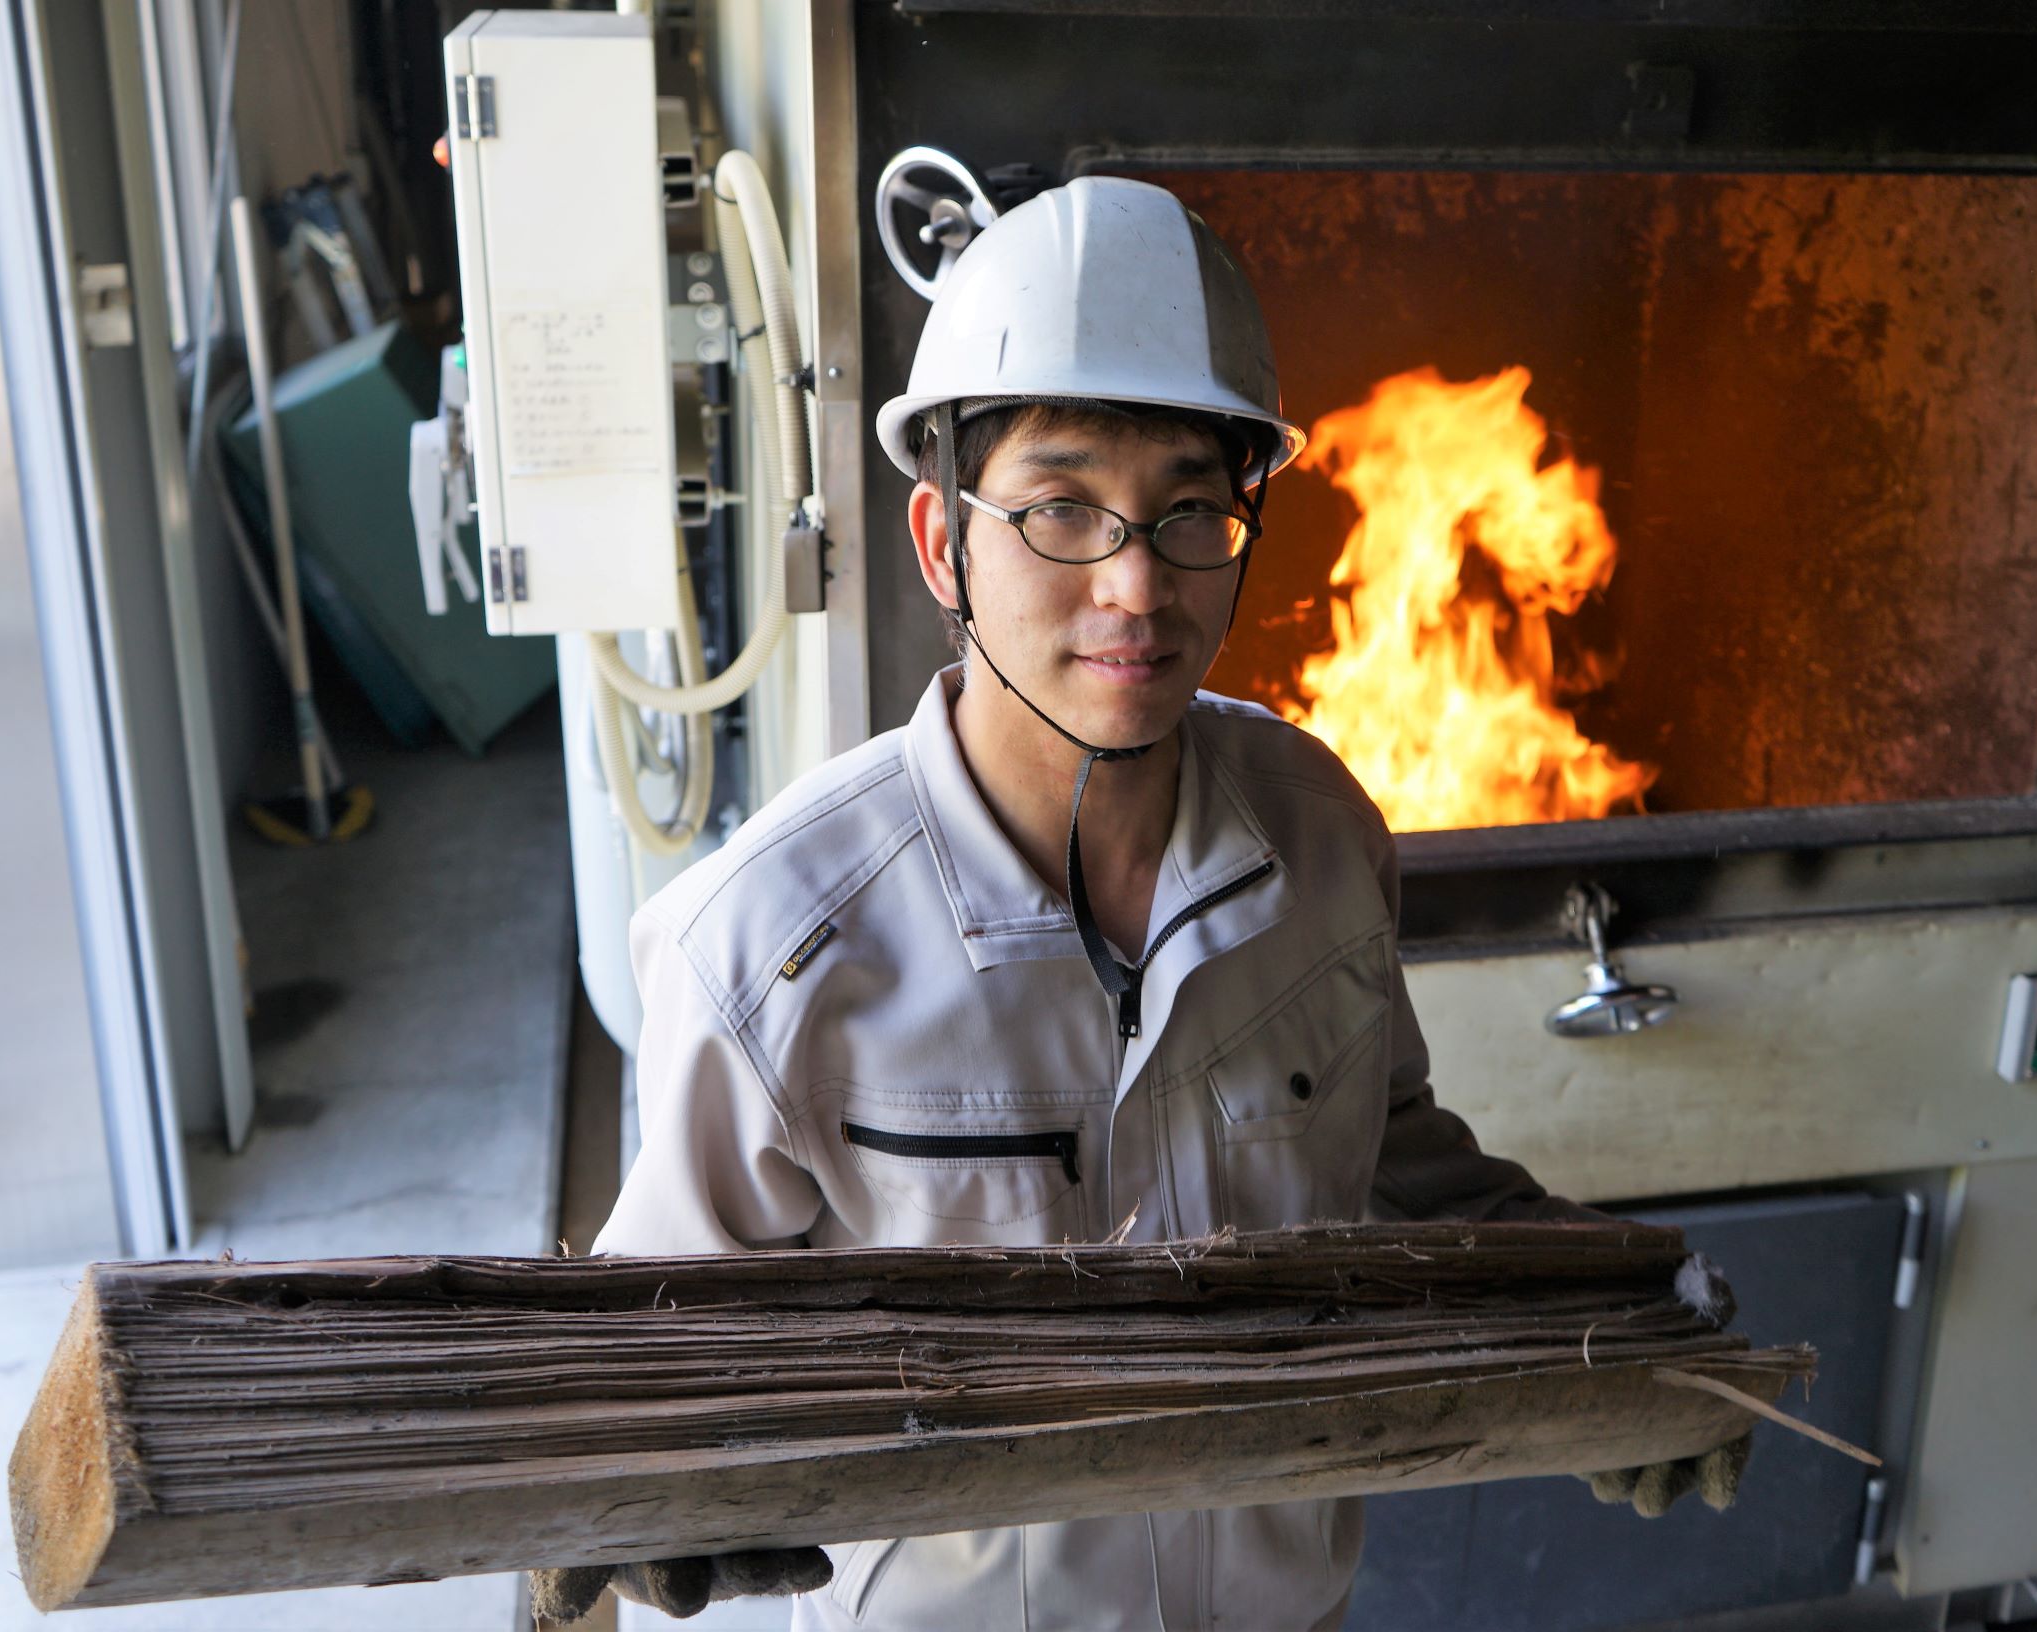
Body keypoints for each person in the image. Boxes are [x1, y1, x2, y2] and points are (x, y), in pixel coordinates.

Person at [532, 177, 1736, 1631]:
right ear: (941, 543)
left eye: (1187, 512)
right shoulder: (775, 946)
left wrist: (1610, 1313)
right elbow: (652, 1341)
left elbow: (1391, 1165)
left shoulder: (1317, 837)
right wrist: (611, 1480)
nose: (1135, 587)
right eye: (1060, 509)